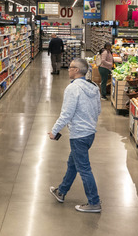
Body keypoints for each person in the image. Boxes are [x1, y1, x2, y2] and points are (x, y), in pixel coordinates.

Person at [48, 58, 102, 213]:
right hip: (90, 133)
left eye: (71, 67)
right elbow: (98, 110)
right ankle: (61, 192)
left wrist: (54, 131)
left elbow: (66, 114)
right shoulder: (93, 87)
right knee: (73, 164)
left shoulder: (72, 89)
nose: (68, 69)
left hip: (78, 134)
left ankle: (94, 202)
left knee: (84, 169)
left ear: (77, 70)